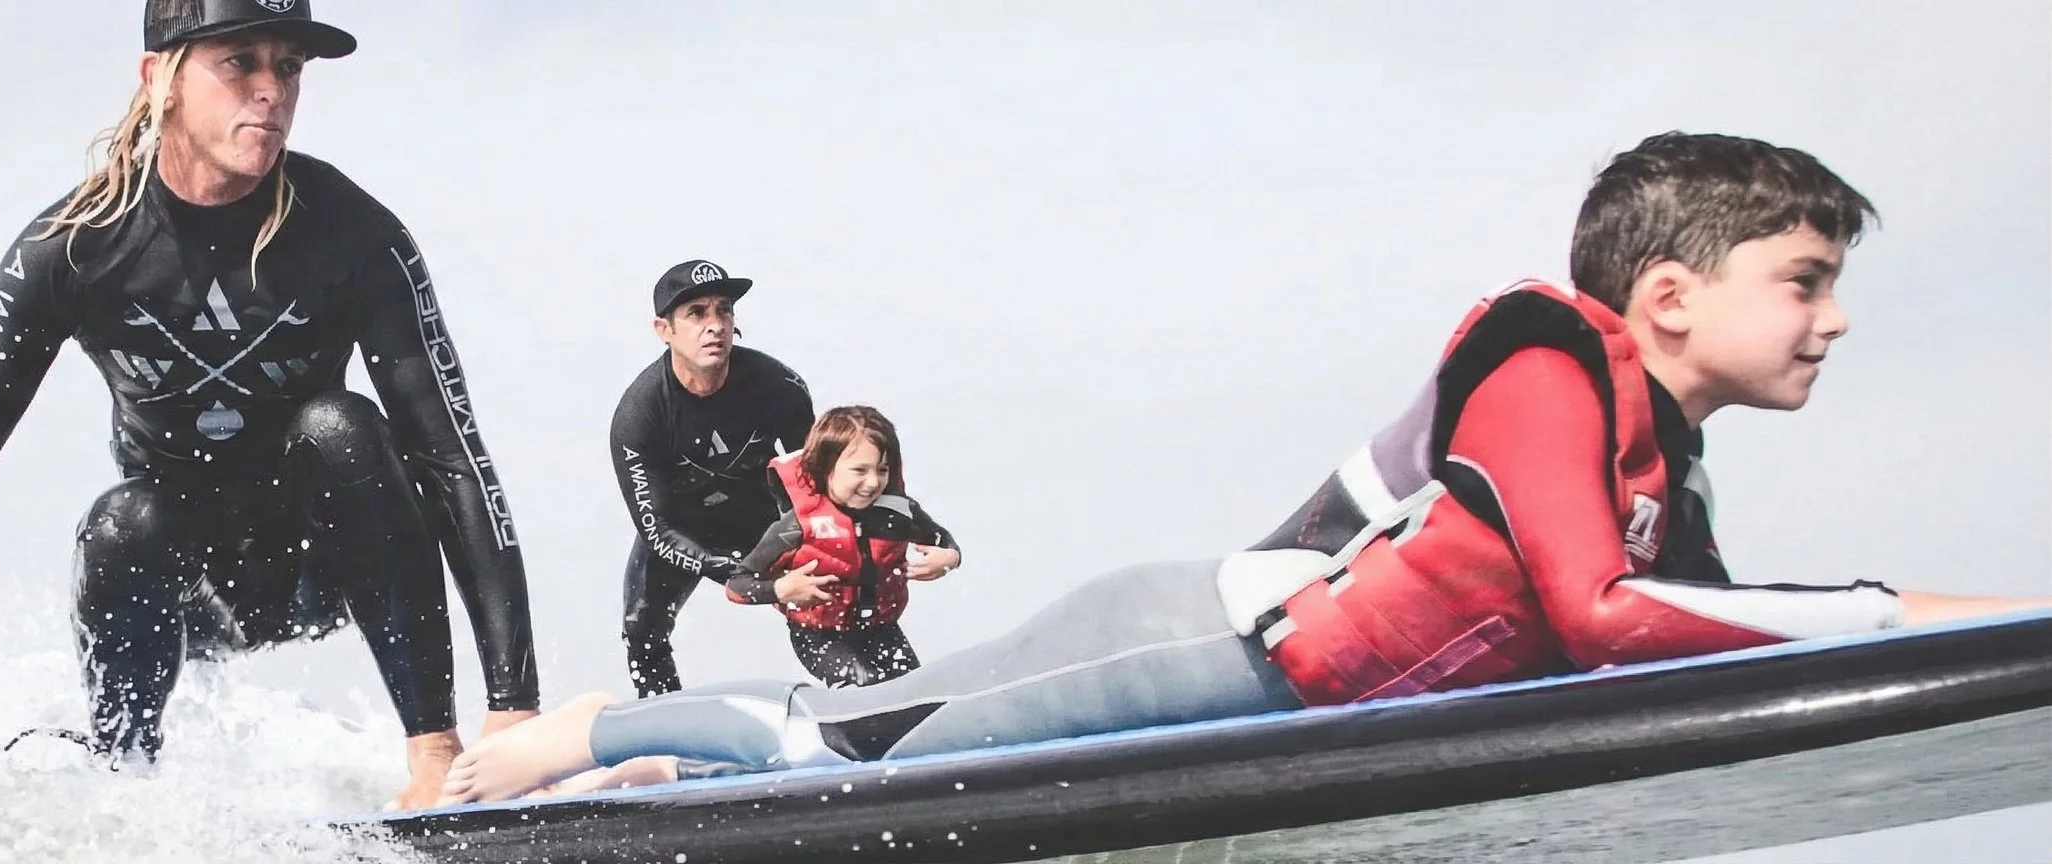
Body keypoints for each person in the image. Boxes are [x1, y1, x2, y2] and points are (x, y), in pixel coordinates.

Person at [427, 131, 2052, 806]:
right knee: (836, 744)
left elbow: (1702, 631)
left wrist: (1975, 620)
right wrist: (1917, 614)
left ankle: (662, 769)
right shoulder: (1545, 363)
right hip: (1192, 645)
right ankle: (586, 732)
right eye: (1805, 279)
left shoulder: (1655, 468)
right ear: (1675, 294)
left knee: (857, 735)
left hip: (1254, 660)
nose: (1836, 318)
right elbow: (1604, 616)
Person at [0, 0, 540, 806]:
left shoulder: (353, 234)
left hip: (318, 569)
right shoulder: (77, 246)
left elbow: (451, 457)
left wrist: (514, 705)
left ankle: (433, 755)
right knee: (123, 519)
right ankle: (125, 788)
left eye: (288, 68)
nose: (271, 90)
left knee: (341, 427)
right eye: (239, 63)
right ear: (160, 79)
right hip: (184, 584)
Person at [608, 260, 816, 696]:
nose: (715, 325)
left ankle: (871, 690)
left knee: (828, 579)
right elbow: (655, 529)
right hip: (679, 530)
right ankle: (663, 717)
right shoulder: (639, 414)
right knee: (641, 626)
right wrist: (734, 572)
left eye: (724, 310)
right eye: (697, 313)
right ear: (664, 330)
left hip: (761, 520)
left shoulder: (778, 386)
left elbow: (817, 492)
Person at [723, 406, 963, 687]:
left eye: (882, 470)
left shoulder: (899, 513)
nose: (873, 482)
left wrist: (949, 558)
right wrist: (781, 589)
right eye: (860, 470)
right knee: (864, 684)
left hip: (882, 630)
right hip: (818, 636)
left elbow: (943, 542)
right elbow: (737, 586)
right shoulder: (798, 525)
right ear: (825, 468)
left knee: (914, 690)